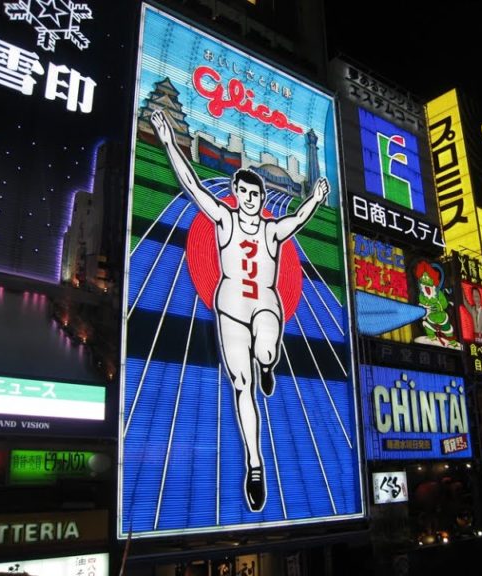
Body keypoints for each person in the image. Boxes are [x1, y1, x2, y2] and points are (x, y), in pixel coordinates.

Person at [150, 107, 329, 512]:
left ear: (263, 199)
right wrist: (167, 141)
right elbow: (193, 187)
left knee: (266, 350)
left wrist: (316, 198)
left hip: (265, 302)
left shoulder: (271, 230)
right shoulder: (224, 219)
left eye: (256, 195)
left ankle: (269, 363)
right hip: (230, 305)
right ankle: (254, 463)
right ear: (236, 193)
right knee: (241, 386)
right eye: (244, 193)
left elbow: (298, 218)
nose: (250, 199)